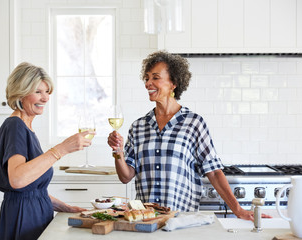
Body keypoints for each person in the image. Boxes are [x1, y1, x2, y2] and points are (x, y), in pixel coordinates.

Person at [107, 50, 270, 221]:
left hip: (181, 220)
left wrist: (238, 210)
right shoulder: (138, 126)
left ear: (174, 83)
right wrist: (118, 152)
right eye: (147, 78)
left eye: (155, 78)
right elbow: (125, 176)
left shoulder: (193, 124)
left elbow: (214, 172)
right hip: (147, 221)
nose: (148, 83)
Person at [0, 62, 95, 240]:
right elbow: (17, 179)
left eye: (47, 92)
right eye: (38, 92)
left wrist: (67, 208)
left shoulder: (25, 127)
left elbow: (32, 190)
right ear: (20, 93)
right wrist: (61, 149)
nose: (46, 98)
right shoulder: (15, 126)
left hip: (34, 213)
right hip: (23, 217)